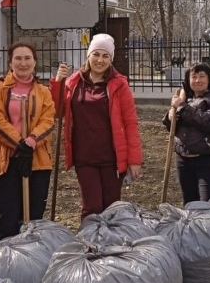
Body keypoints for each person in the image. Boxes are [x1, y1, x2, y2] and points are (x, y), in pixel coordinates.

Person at [50, 33, 142, 219]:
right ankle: (91, 245)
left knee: (111, 208)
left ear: (111, 59)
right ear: (88, 55)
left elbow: (130, 123)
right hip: (84, 156)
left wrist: (134, 160)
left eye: (105, 55)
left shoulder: (119, 85)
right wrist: (58, 83)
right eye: (96, 54)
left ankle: (111, 246)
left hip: (112, 157)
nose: (100, 60)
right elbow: (57, 111)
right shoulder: (74, 82)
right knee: (91, 207)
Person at [0, 41, 55, 243]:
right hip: (7, 160)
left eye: (27, 58)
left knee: (33, 219)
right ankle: (0, 264)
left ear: (34, 62)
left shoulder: (43, 91)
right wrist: (19, 145)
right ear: (10, 62)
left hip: (37, 160)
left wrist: (31, 142)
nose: (23, 63)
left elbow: (48, 121)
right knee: (7, 219)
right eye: (18, 58)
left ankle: (29, 265)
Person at [163, 63, 210, 204]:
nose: (197, 80)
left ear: (209, 79)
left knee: (207, 203)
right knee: (189, 202)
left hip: (207, 158)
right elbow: (172, 128)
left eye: (202, 76)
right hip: (183, 158)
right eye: (193, 77)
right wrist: (169, 116)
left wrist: (182, 107)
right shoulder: (185, 97)